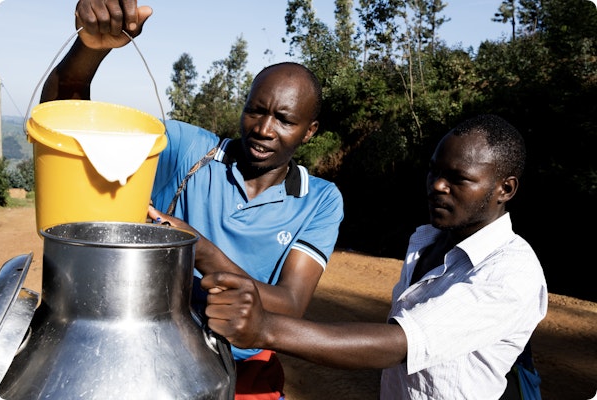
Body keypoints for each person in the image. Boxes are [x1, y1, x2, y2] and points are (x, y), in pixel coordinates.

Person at [39, 2, 344, 399]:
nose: (264, 129)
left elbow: (288, 306)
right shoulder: (186, 150)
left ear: (309, 131)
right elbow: (67, 122)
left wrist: (197, 248)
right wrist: (91, 49)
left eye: (284, 120)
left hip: (250, 373)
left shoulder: (319, 199)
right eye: (255, 111)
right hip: (157, 357)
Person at [202, 114, 549, 399]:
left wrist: (265, 328)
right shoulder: (426, 239)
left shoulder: (511, 272)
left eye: (458, 179)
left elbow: (398, 345)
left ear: (506, 188)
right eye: (434, 171)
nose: (437, 186)